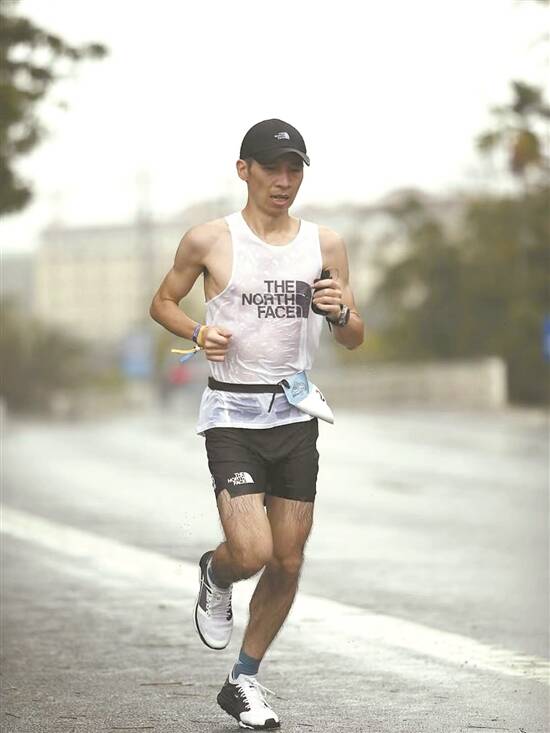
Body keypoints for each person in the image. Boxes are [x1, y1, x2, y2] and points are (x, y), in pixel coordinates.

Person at [150, 118, 364, 730]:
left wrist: (340, 313)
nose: (284, 180)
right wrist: (198, 332)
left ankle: (243, 679)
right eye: (272, 167)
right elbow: (162, 302)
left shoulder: (325, 245)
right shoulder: (209, 240)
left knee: (288, 561)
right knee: (252, 551)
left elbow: (353, 336)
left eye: (294, 169)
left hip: (296, 413)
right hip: (232, 415)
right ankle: (216, 572)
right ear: (244, 170)